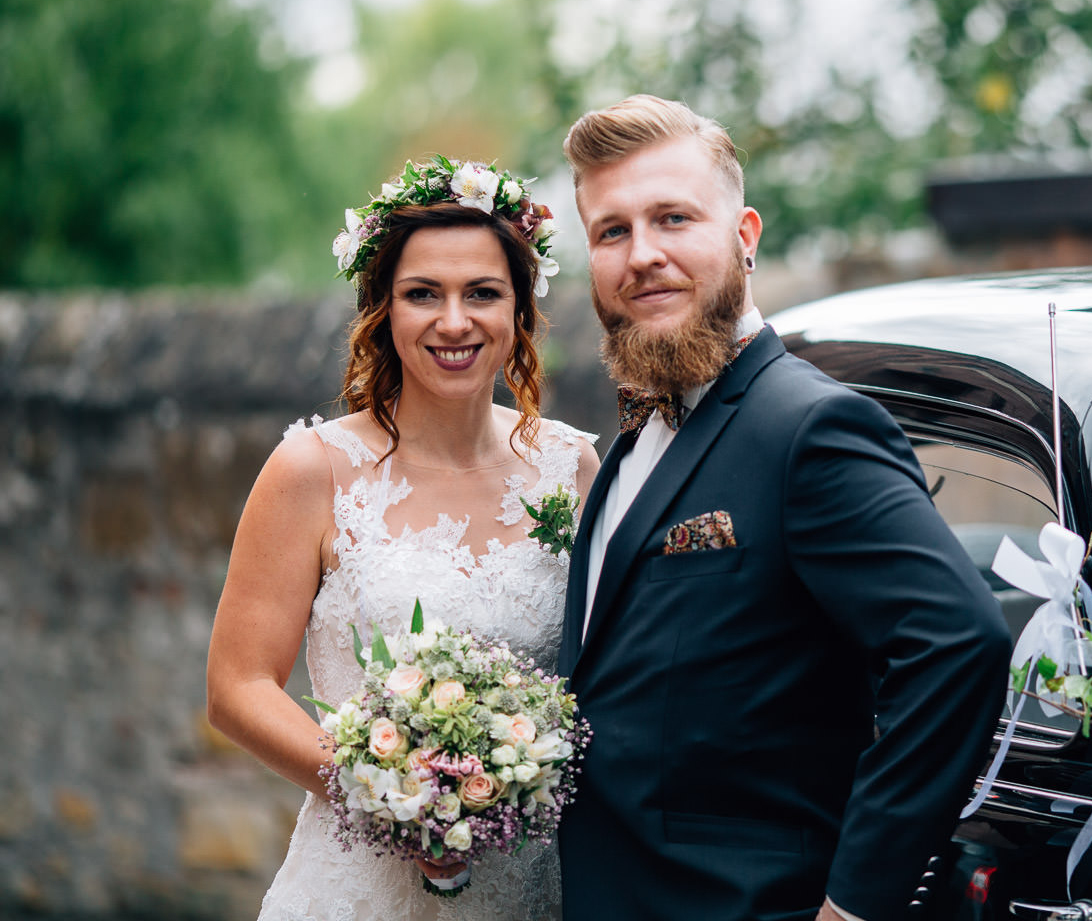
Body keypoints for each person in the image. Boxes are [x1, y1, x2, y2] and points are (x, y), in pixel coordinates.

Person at [557, 95, 1012, 921]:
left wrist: (855, 903)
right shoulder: (628, 443)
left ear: (745, 236)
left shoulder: (809, 427)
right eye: (612, 231)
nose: (643, 254)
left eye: (673, 218)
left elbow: (958, 645)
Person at [206, 158, 600, 920]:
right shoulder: (313, 469)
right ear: (382, 310)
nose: (454, 321)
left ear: (519, 308)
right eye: (423, 294)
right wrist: (390, 795)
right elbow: (238, 687)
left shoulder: (569, 467)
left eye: (482, 292)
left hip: (533, 884)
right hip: (362, 885)